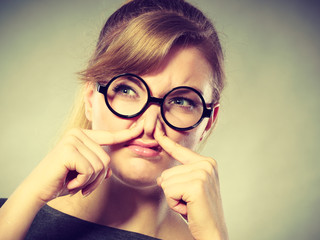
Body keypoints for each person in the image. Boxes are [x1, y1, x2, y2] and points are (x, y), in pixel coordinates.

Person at [0, 0, 228, 239]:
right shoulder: (11, 216)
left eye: (181, 102)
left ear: (208, 123)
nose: (149, 127)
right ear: (90, 99)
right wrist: (28, 197)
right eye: (127, 91)